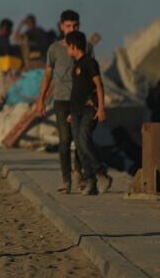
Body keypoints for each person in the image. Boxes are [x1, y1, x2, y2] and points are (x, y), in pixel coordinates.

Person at [36, 10, 93, 194]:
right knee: (64, 140)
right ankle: (66, 180)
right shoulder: (54, 49)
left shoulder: (88, 47)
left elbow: (92, 74)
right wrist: (41, 100)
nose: (72, 29)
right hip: (61, 99)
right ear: (61, 27)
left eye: (75, 26)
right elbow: (47, 75)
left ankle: (79, 174)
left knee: (80, 139)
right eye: (68, 26)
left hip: (80, 100)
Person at [65, 30, 112, 196]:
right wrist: (71, 111)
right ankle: (90, 181)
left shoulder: (90, 63)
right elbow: (77, 91)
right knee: (78, 146)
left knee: (84, 140)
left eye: (67, 46)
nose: (66, 50)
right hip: (76, 111)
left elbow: (99, 86)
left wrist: (101, 108)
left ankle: (101, 173)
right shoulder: (75, 65)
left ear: (73, 46)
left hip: (89, 110)